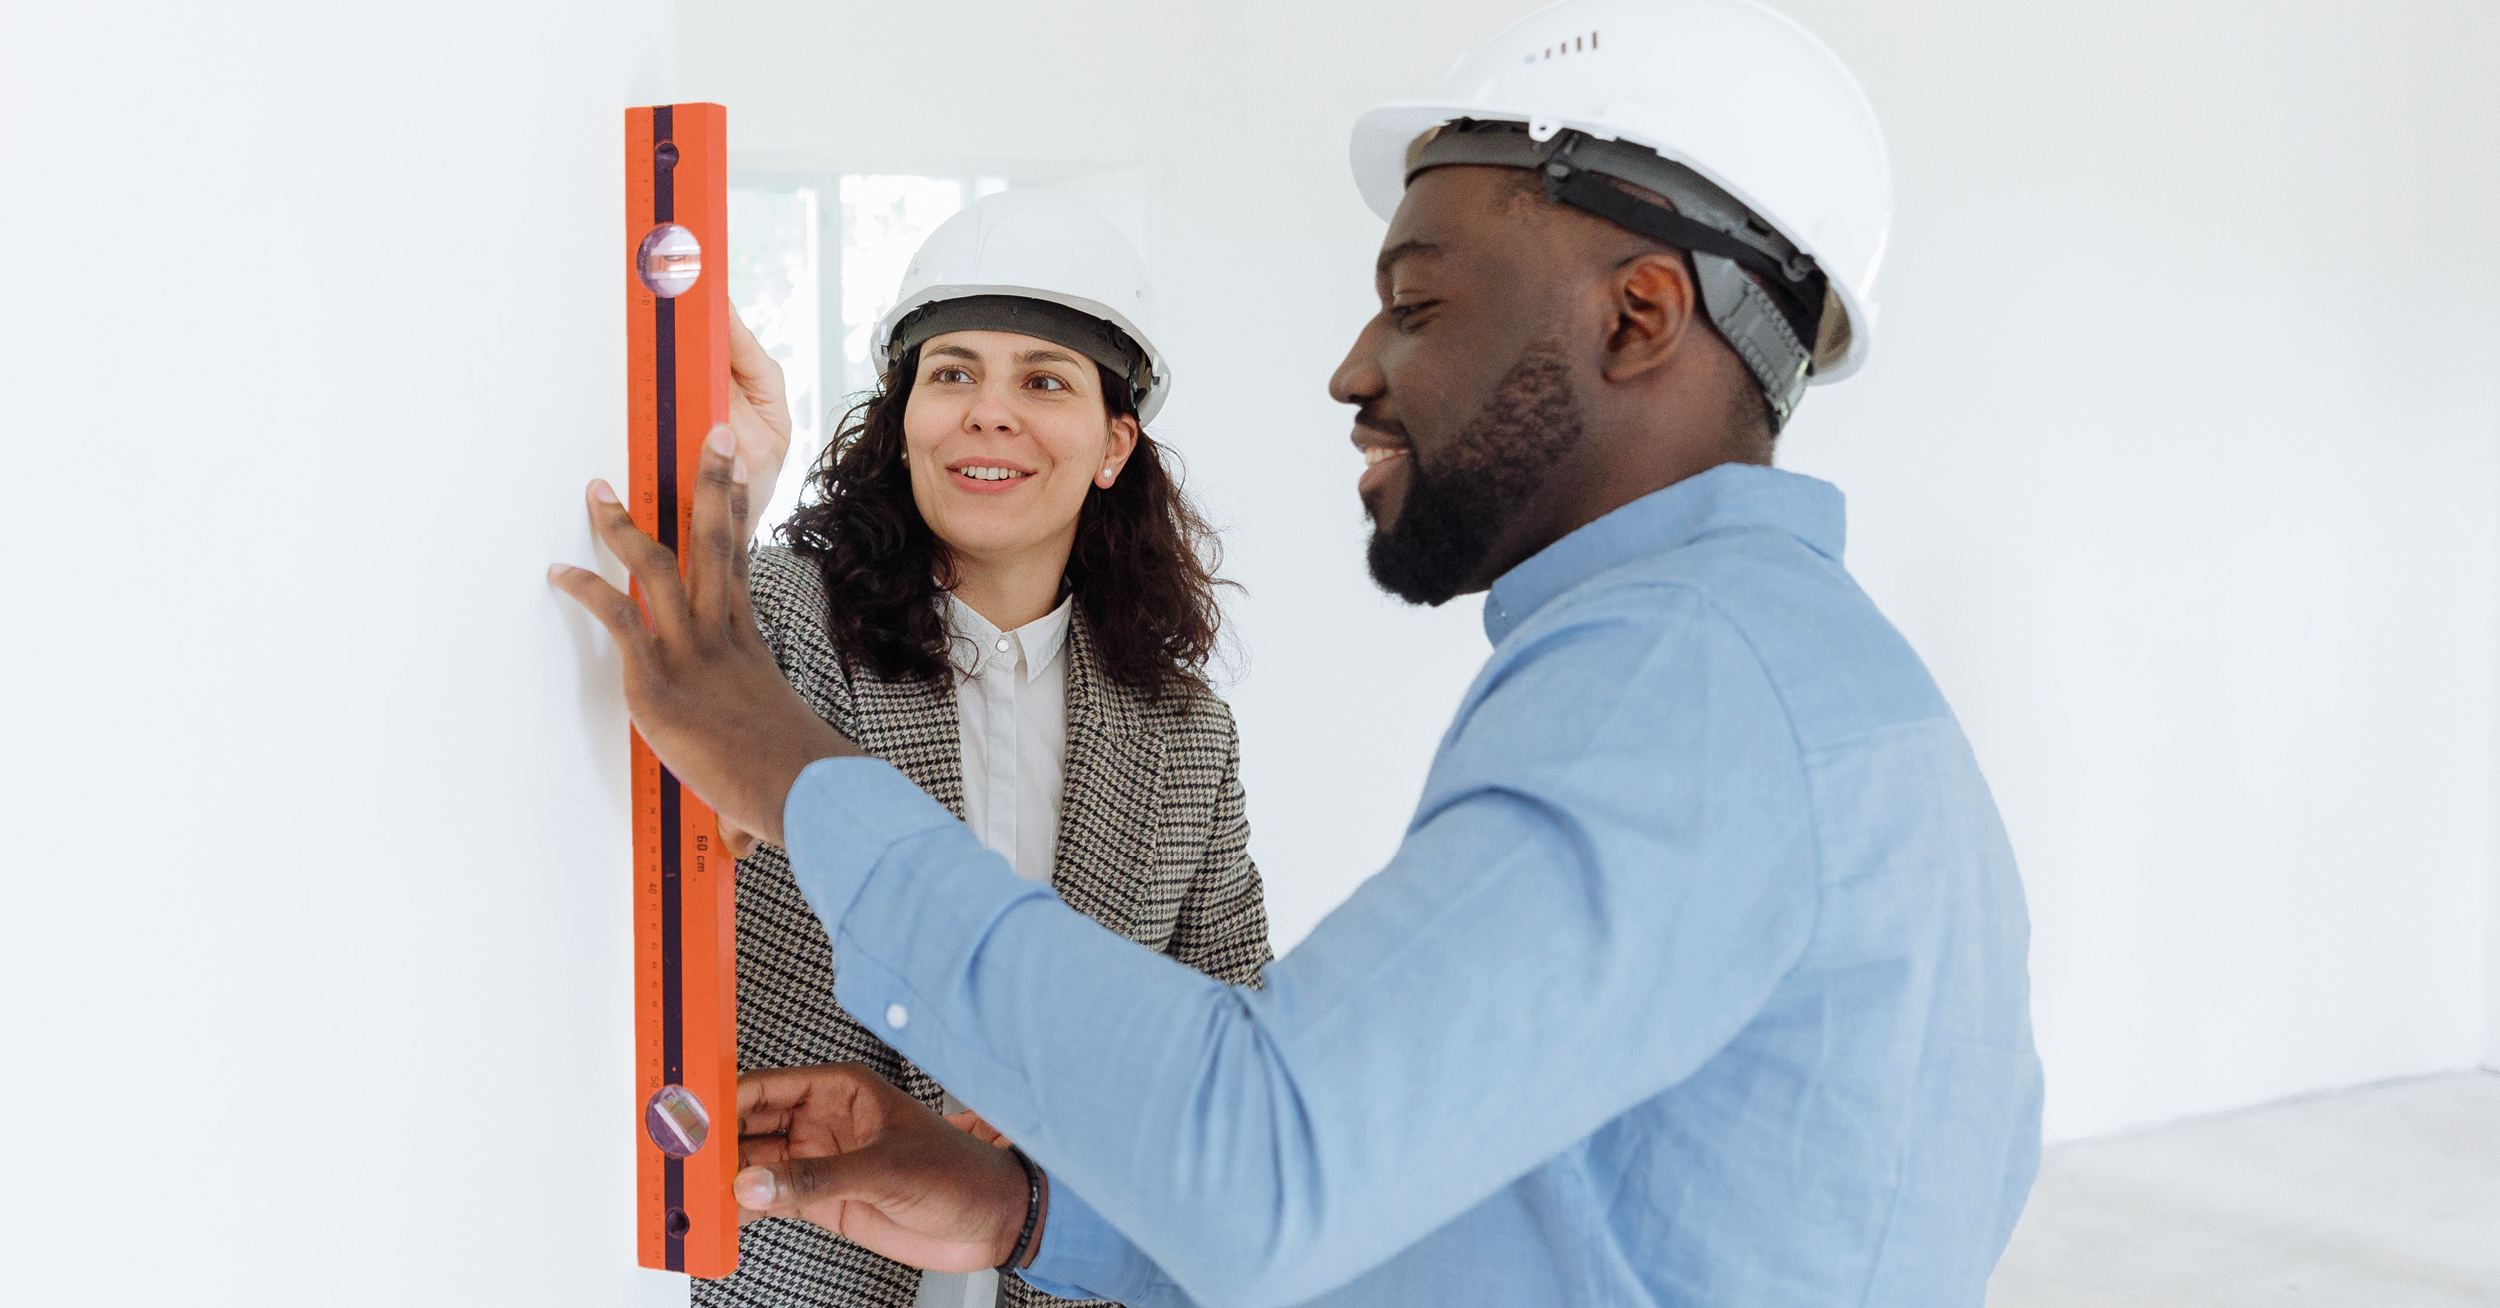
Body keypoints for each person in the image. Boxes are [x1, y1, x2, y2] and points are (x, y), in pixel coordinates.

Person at [550, 1, 2043, 1304]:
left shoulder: (1678, 687)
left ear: (1640, 313)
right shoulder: (1802, 679)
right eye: (953, 373)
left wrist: (793, 773)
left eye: (1418, 302)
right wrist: (1024, 1210)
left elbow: (1268, 1152)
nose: (1352, 367)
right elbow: (1476, 1224)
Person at [694, 190, 1272, 1308]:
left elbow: (1227, 1041)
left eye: (1043, 381)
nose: (986, 413)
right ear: (902, 416)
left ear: (1114, 444)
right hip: (769, 1270)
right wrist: (715, 505)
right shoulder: (770, 625)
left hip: (1056, 1274)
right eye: (951, 373)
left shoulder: (1183, 733)